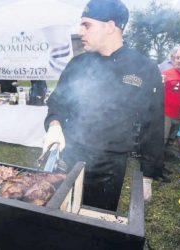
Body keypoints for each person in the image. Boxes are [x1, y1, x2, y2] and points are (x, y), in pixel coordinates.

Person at [43, 0, 164, 211]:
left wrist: (149, 175)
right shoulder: (78, 64)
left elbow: (153, 124)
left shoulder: (143, 68)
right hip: (69, 156)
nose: (81, 32)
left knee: (94, 226)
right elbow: (57, 103)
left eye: (87, 25)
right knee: (59, 217)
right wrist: (54, 126)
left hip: (109, 166)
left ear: (109, 26)